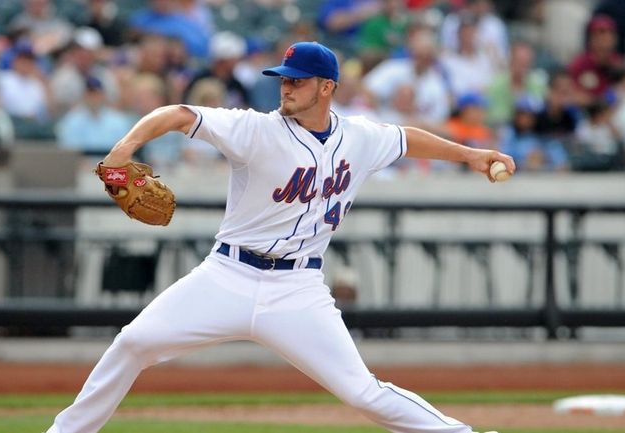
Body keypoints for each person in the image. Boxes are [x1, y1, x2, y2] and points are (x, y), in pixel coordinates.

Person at [44, 41, 511, 433]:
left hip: (298, 291)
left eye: (297, 80)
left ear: (327, 87)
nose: (286, 87)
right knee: (132, 344)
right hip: (227, 275)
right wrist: (124, 149)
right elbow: (176, 113)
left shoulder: (361, 138)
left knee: (362, 392)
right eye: (283, 79)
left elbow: (408, 138)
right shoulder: (256, 129)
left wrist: (471, 156)